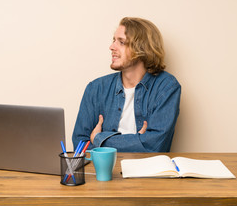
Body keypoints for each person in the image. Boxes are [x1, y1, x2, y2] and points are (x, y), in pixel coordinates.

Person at [72, 17, 181, 152]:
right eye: (114, 40)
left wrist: (99, 139)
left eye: (121, 42)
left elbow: (155, 145)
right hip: (104, 171)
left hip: (146, 171)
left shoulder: (167, 87)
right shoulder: (96, 88)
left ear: (142, 48)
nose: (112, 47)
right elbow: (80, 144)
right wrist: (138, 140)